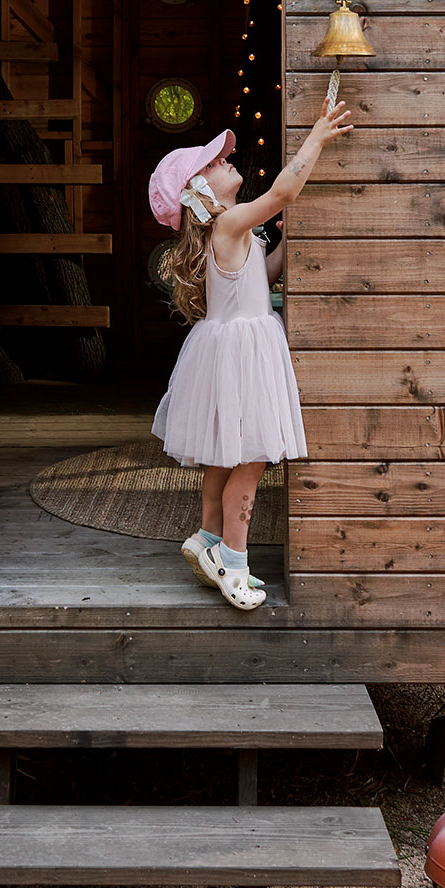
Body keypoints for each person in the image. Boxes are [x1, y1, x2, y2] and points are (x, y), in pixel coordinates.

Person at [147, 102, 352, 610]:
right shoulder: (230, 224)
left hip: (229, 352)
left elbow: (266, 275)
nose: (226, 162)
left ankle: (208, 539)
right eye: (215, 164)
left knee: (224, 455)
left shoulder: (236, 234)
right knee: (251, 461)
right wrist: (318, 138)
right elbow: (283, 192)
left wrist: (285, 247)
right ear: (199, 193)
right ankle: (234, 564)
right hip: (245, 357)